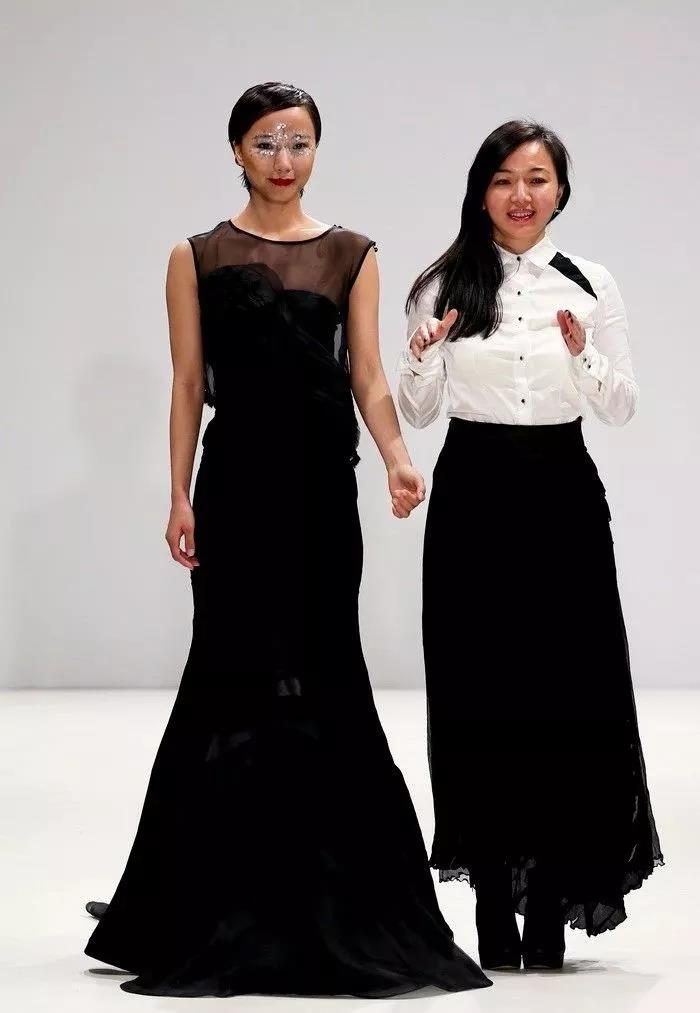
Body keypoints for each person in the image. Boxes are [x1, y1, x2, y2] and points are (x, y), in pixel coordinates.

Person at [83, 81, 491, 998]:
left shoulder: (353, 253)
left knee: (325, 663)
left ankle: (335, 890)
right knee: (228, 667)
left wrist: (397, 458)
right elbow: (189, 381)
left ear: (317, 151)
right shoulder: (195, 255)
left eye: (298, 142)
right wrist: (177, 492)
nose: (283, 159)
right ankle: (209, 895)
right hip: (234, 490)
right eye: (265, 141)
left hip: (319, 493)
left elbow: (368, 375)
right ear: (236, 149)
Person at [398, 120, 663, 972]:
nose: (521, 195)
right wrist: (424, 357)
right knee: (479, 691)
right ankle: (488, 899)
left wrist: (583, 357)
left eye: (538, 178)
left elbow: (621, 406)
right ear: (481, 191)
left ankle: (548, 899)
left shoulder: (590, 283)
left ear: (560, 191)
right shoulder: (442, 283)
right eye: (505, 179)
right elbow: (417, 413)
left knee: (566, 693)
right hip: (473, 495)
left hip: (561, 494)